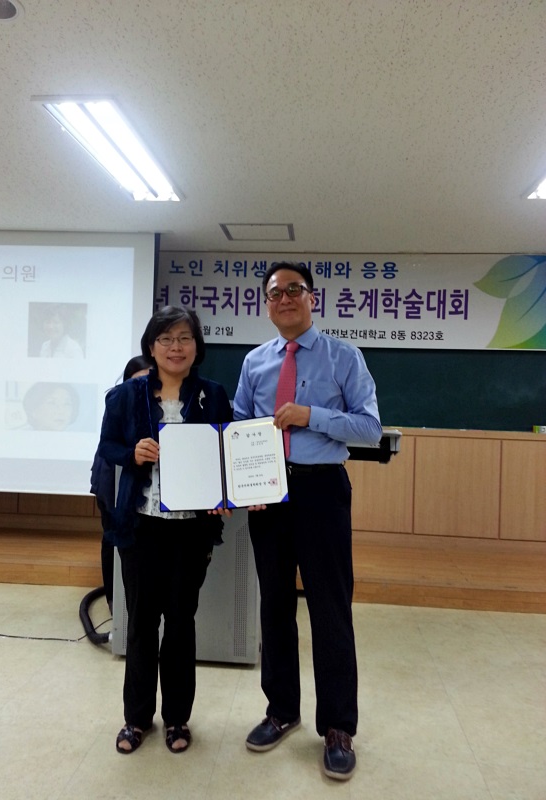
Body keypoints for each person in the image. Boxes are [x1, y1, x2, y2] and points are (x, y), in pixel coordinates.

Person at [233, 262, 382, 781]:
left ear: (312, 298)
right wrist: (245, 485)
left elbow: (369, 428)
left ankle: (338, 727)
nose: (285, 298)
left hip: (321, 489)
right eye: (275, 293)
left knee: (330, 608)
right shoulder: (255, 362)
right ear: (266, 305)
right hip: (269, 494)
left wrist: (309, 416)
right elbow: (240, 425)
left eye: (294, 289)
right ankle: (281, 710)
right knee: (274, 604)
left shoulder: (344, 356)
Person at [96, 306, 232, 756]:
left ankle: (177, 718)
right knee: (140, 624)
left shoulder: (213, 395)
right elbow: (108, 447)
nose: (176, 347)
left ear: (197, 346)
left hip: (191, 530)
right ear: (151, 347)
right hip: (141, 527)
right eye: (166, 339)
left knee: (180, 623)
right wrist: (132, 452)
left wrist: (226, 494)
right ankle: (136, 719)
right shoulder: (126, 395)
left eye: (185, 338)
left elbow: (226, 455)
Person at [90, 355, 153, 613]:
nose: (143, 387)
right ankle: (113, 602)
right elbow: (109, 446)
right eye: (138, 381)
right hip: (110, 479)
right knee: (111, 536)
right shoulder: (119, 400)